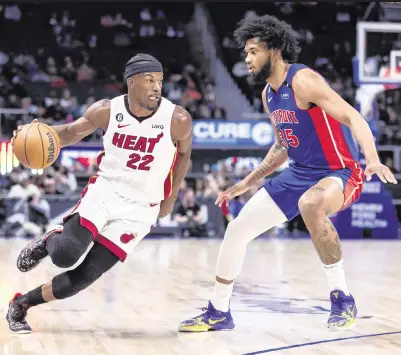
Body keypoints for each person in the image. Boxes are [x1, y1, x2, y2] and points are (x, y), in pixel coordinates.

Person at [178, 14, 397, 332]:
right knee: (236, 231)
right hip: (298, 173)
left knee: (311, 204)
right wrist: (248, 181)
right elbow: (282, 145)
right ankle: (218, 311)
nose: (247, 59)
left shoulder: (303, 81)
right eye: (246, 53)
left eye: (253, 51)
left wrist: (373, 159)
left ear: (274, 50)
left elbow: (353, 117)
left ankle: (342, 297)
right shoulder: (269, 94)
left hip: (339, 171)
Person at [6, 53, 193, 334]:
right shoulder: (106, 110)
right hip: (106, 192)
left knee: (83, 278)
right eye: (150, 80)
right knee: (66, 255)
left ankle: (21, 304)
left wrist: (172, 197)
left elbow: (184, 156)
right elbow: (68, 133)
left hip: (142, 208)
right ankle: (50, 241)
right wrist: (34, 132)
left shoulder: (177, 119)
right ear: (131, 83)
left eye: (160, 81)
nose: (157, 87)